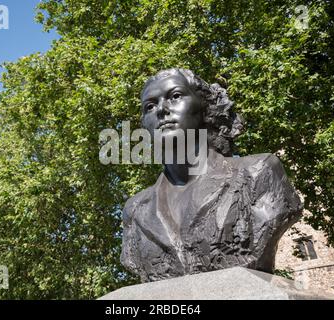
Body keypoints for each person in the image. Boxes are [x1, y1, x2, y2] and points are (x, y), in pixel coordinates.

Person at [121, 68, 303, 282]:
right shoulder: (135, 210)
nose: (161, 110)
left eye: (175, 96)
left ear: (205, 108)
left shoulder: (258, 172)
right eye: (149, 106)